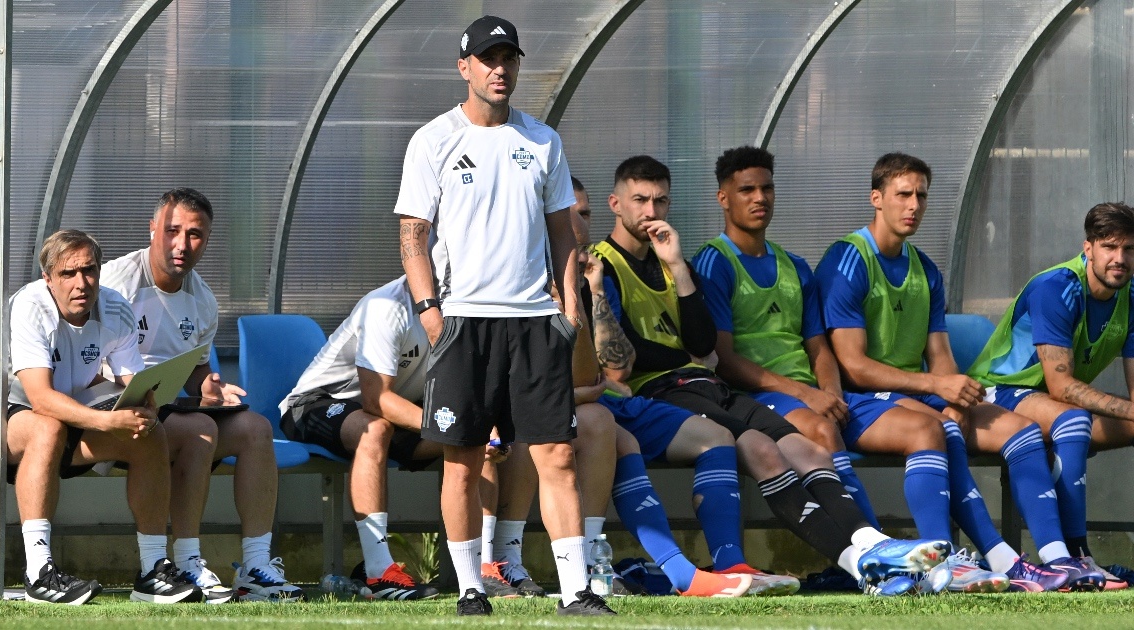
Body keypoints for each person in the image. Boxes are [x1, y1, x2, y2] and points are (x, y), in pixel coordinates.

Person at [593, 155, 949, 596]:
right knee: (761, 448)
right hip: (661, 391)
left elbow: (703, 345)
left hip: (706, 385)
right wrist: (684, 355)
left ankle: (872, 545)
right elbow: (620, 357)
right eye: (641, 200)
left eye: (660, 200)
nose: (651, 211)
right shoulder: (602, 264)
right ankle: (834, 563)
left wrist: (679, 268)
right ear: (616, 203)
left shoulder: (673, 261)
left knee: (810, 451)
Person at [695, 146, 1015, 593]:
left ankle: (976, 558)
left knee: (947, 427)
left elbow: (820, 350)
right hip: (751, 398)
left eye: (767, 187)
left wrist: (831, 394)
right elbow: (724, 360)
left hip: (814, 395)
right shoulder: (714, 262)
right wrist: (812, 396)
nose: (759, 197)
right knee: (827, 431)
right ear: (722, 198)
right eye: (746, 189)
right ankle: (877, 557)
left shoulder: (795, 266)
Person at [393, 15, 613, 616]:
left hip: (534, 323)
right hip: (463, 321)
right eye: (487, 58)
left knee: (557, 456)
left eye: (508, 58)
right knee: (463, 461)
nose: (499, 68)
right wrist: (432, 314)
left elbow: (563, 233)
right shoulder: (433, 140)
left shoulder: (543, 140)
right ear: (464, 67)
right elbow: (413, 233)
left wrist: (568, 308)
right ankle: (469, 587)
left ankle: (576, 592)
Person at [815, 152, 1098, 592]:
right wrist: (937, 388)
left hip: (916, 395)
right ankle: (953, 561)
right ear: (876, 198)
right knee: (938, 430)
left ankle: (1058, 560)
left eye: (921, 196)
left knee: (1021, 432)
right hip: (860, 401)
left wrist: (955, 399)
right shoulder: (848, 259)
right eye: (903, 194)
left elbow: (941, 356)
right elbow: (853, 367)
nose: (914, 205)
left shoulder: (925, 269)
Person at [484, 203, 768, 599]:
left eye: (583, 221)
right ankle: (507, 560)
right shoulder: (509, 287)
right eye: (574, 235)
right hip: (541, 410)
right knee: (596, 425)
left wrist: (584, 296)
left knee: (712, 436)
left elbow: (602, 373)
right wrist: (583, 390)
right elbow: (543, 385)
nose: (584, 245)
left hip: (603, 400)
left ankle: (717, 563)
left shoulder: (585, 283)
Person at [101, 188, 304, 602]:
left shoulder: (203, 300)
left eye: (195, 235)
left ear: (207, 240)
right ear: (152, 229)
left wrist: (212, 387)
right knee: (197, 429)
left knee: (255, 428)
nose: (182, 244)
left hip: (172, 409)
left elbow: (197, 372)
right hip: (116, 411)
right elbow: (89, 360)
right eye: (172, 230)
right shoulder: (116, 282)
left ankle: (256, 567)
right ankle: (187, 562)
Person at [7, 230, 201, 604]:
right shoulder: (30, 306)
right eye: (68, 274)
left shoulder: (115, 306)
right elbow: (40, 398)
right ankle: (39, 573)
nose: (82, 283)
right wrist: (108, 421)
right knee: (46, 427)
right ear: (47, 278)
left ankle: (152, 572)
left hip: (76, 415)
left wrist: (148, 403)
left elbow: (133, 381)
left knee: (150, 431)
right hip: (5, 418)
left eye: (89, 270)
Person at [967, 201, 1134, 589]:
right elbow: (1061, 388)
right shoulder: (1056, 287)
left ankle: (1072, 557)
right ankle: (1074, 558)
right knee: (1072, 420)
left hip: (1052, 405)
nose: (1120, 259)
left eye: (1129, 249)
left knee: (1080, 419)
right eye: (1109, 247)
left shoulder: (1131, 296)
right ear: (1088, 248)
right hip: (997, 395)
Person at [279, 277, 449, 601]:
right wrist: (448, 425)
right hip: (315, 403)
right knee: (376, 429)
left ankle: (491, 565)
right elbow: (375, 400)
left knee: (475, 438)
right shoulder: (387, 305)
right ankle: (379, 572)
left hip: (397, 411)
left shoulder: (466, 303)